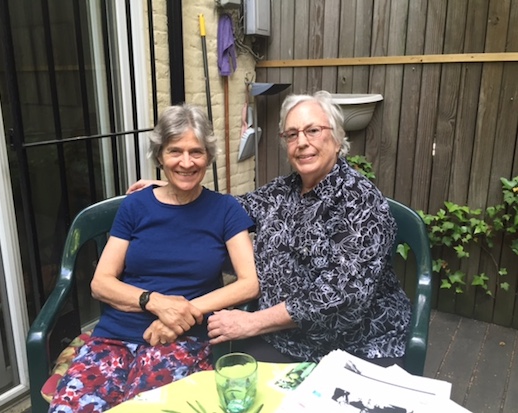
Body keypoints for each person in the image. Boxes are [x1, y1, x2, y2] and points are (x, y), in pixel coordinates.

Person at [127, 90, 411, 367]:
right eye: (292, 134)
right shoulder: (283, 191)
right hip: (284, 340)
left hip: (356, 345)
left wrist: (252, 322)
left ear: (337, 139)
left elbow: (343, 296)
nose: (302, 142)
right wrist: (176, 187)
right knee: (233, 386)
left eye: (313, 131)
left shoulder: (360, 201)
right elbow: (227, 208)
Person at [48, 103, 260, 413]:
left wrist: (182, 313)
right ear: (160, 156)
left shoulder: (225, 210)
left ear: (208, 156)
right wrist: (156, 302)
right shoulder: (136, 207)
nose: (186, 162)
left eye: (196, 152)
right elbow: (101, 283)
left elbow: (249, 283)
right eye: (175, 151)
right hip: (113, 336)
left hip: (183, 338)